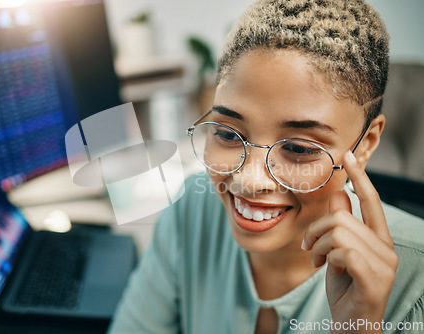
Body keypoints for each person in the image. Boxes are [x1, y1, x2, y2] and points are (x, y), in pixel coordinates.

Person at [108, 0, 424, 333]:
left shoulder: (416, 283)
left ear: (366, 144)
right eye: (227, 133)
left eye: (299, 148)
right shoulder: (191, 211)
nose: (248, 180)